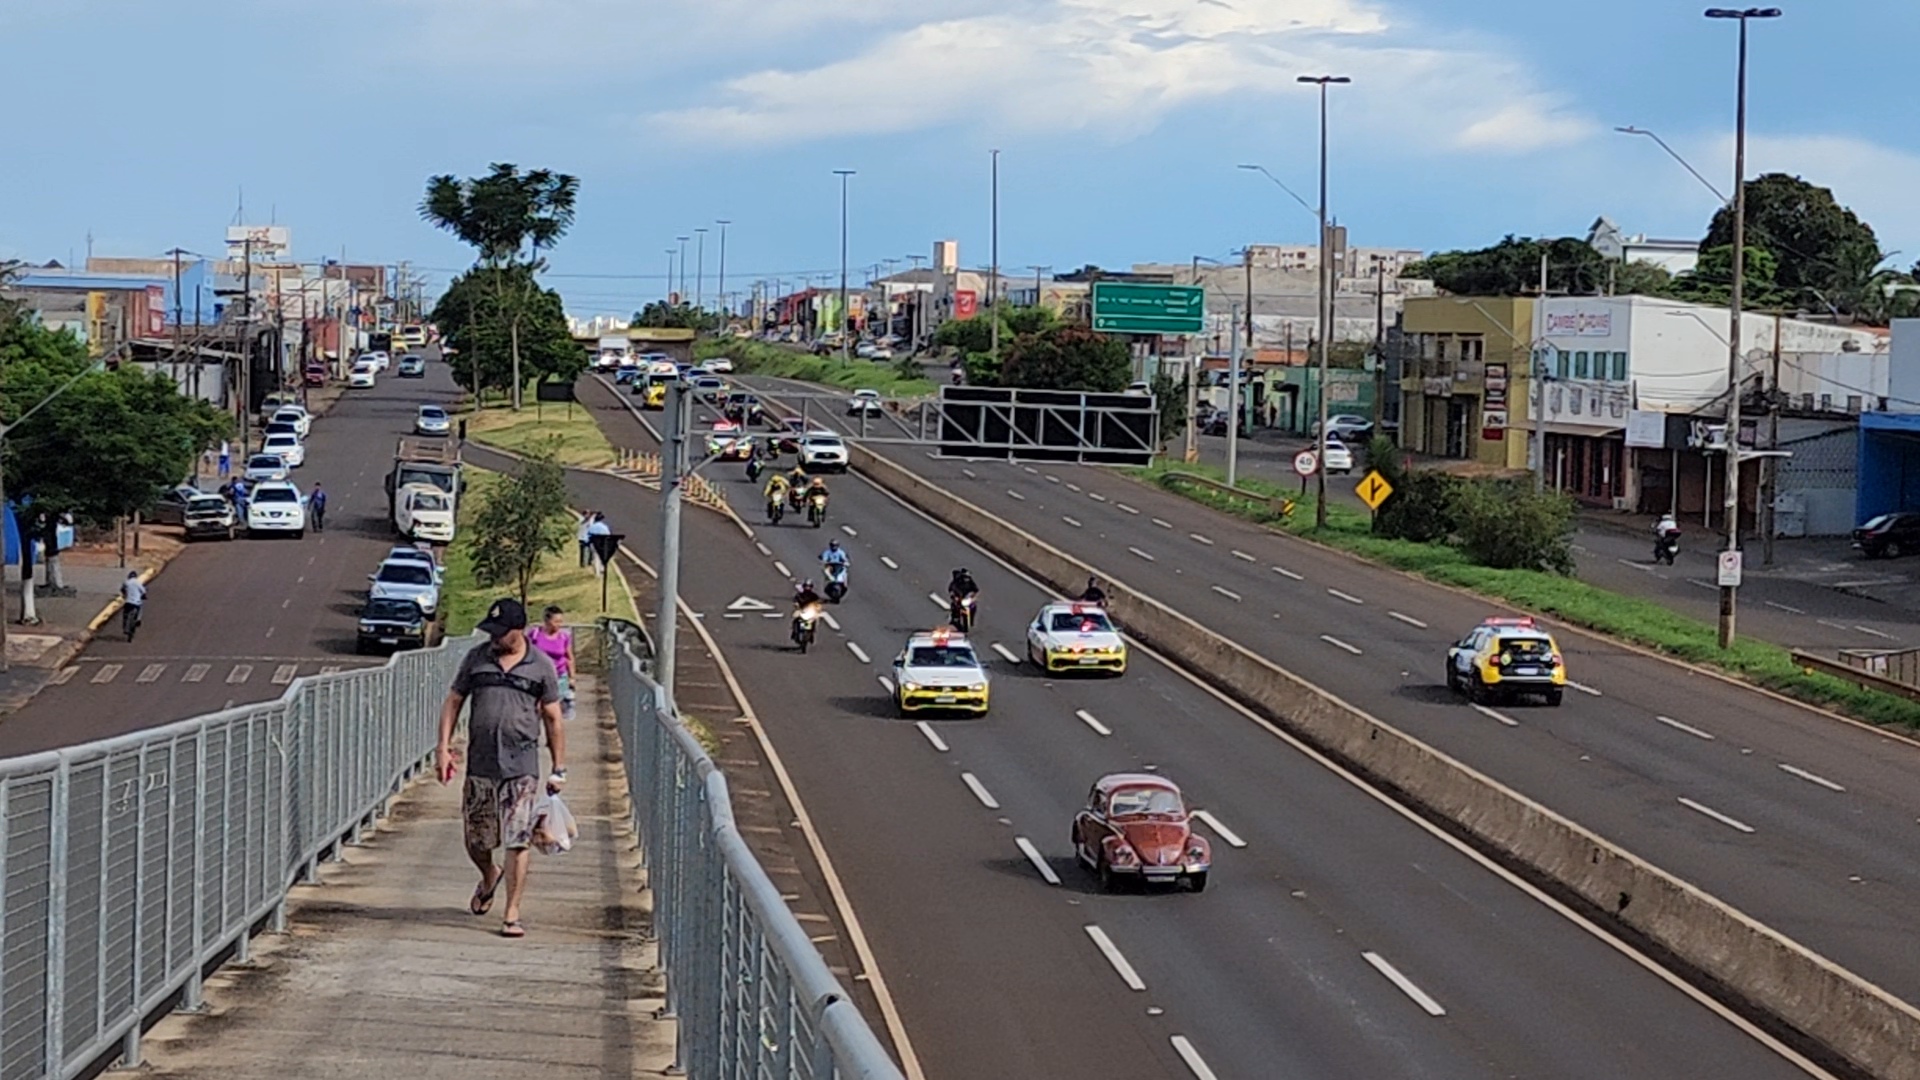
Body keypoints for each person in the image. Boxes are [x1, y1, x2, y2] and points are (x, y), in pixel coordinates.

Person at [435, 598, 566, 939]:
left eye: (500, 632)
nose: (493, 637)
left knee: (517, 839)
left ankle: (511, 912)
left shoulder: (540, 666)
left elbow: (553, 718)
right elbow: (454, 700)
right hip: (480, 763)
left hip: (521, 765)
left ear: (518, 630)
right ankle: (488, 874)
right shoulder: (476, 658)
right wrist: (443, 748)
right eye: (491, 631)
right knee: (477, 839)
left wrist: (558, 768)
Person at [527, 605, 578, 722]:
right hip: (538, 676)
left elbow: (569, 657)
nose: (559, 624)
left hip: (559, 676)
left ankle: (554, 729)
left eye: (561, 621)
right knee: (537, 707)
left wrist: (572, 678)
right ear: (547, 621)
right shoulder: (535, 634)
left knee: (554, 709)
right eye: (556, 621)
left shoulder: (564, 637)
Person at [120, 571, 146, 640]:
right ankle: (138, 620)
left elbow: (122, 589)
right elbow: (143, 591)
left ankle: (125, 626)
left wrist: (124, 595)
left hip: (128, 602)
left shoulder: (126, 582)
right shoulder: (138, 583)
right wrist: (144, 596)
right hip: (136, 603)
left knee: (125, 614)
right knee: (140, 607)